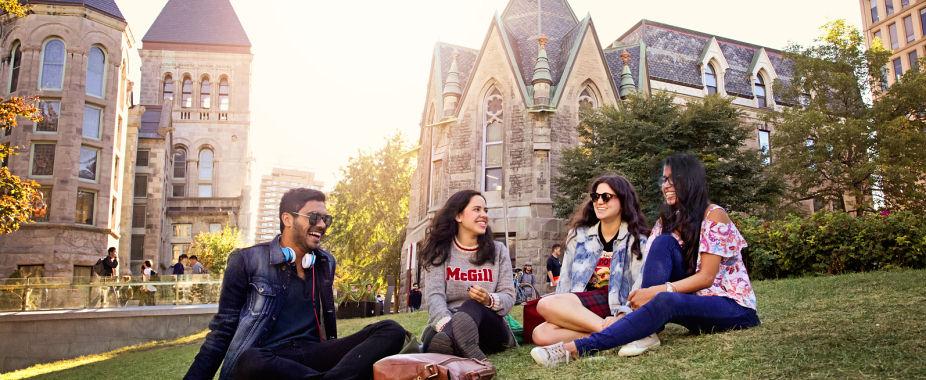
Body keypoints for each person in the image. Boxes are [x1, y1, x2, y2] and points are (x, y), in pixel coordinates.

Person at [531, 154, 760, 367]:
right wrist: (649, 296)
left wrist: (659, 291)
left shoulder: (714, 214)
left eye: (672, 180)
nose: (666, 186)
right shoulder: (666, 221)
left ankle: (575, 349)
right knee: (663, 244)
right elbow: (652, 267)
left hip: (731, 307)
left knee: (665, 299)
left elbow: (707, 277)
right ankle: (643, 329)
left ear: (690, 181)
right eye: (664, 180)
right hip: (690, 305)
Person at [185, 188, 406, 380]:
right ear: (287, 219)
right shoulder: (246, 260)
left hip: (311, 358)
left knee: (390, 330)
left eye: (326, 219)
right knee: (251, 359)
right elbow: (222, 333)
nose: (321, 225)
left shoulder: (325, 263)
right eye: (314, 217)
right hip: (266, 361)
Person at [531, 174, 650, 346]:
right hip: (582, 304)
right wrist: (560, 311)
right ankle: (616, 333)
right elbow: (565, 279)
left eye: (606, 197)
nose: (599, 202)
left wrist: (626, 313)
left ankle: (618, 328)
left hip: (617, 305)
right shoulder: (579, 235)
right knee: (541, 334)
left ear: (623, 201)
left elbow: (640, 285)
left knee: (545, 304)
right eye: (595, 196)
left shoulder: (636, 239)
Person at [419, 189, 517, 360]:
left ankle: (449, 343)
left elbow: (508, 296)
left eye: (485, 210)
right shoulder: (440, 251)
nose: (484, 215)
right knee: (437, 335)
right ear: (458, 216)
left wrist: (488, 299)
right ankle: (453, 341)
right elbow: (435, 296)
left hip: (488, 326)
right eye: (477, 209)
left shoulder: (499, 251)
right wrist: (448, 324)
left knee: (472, 305)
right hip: (447, 322)